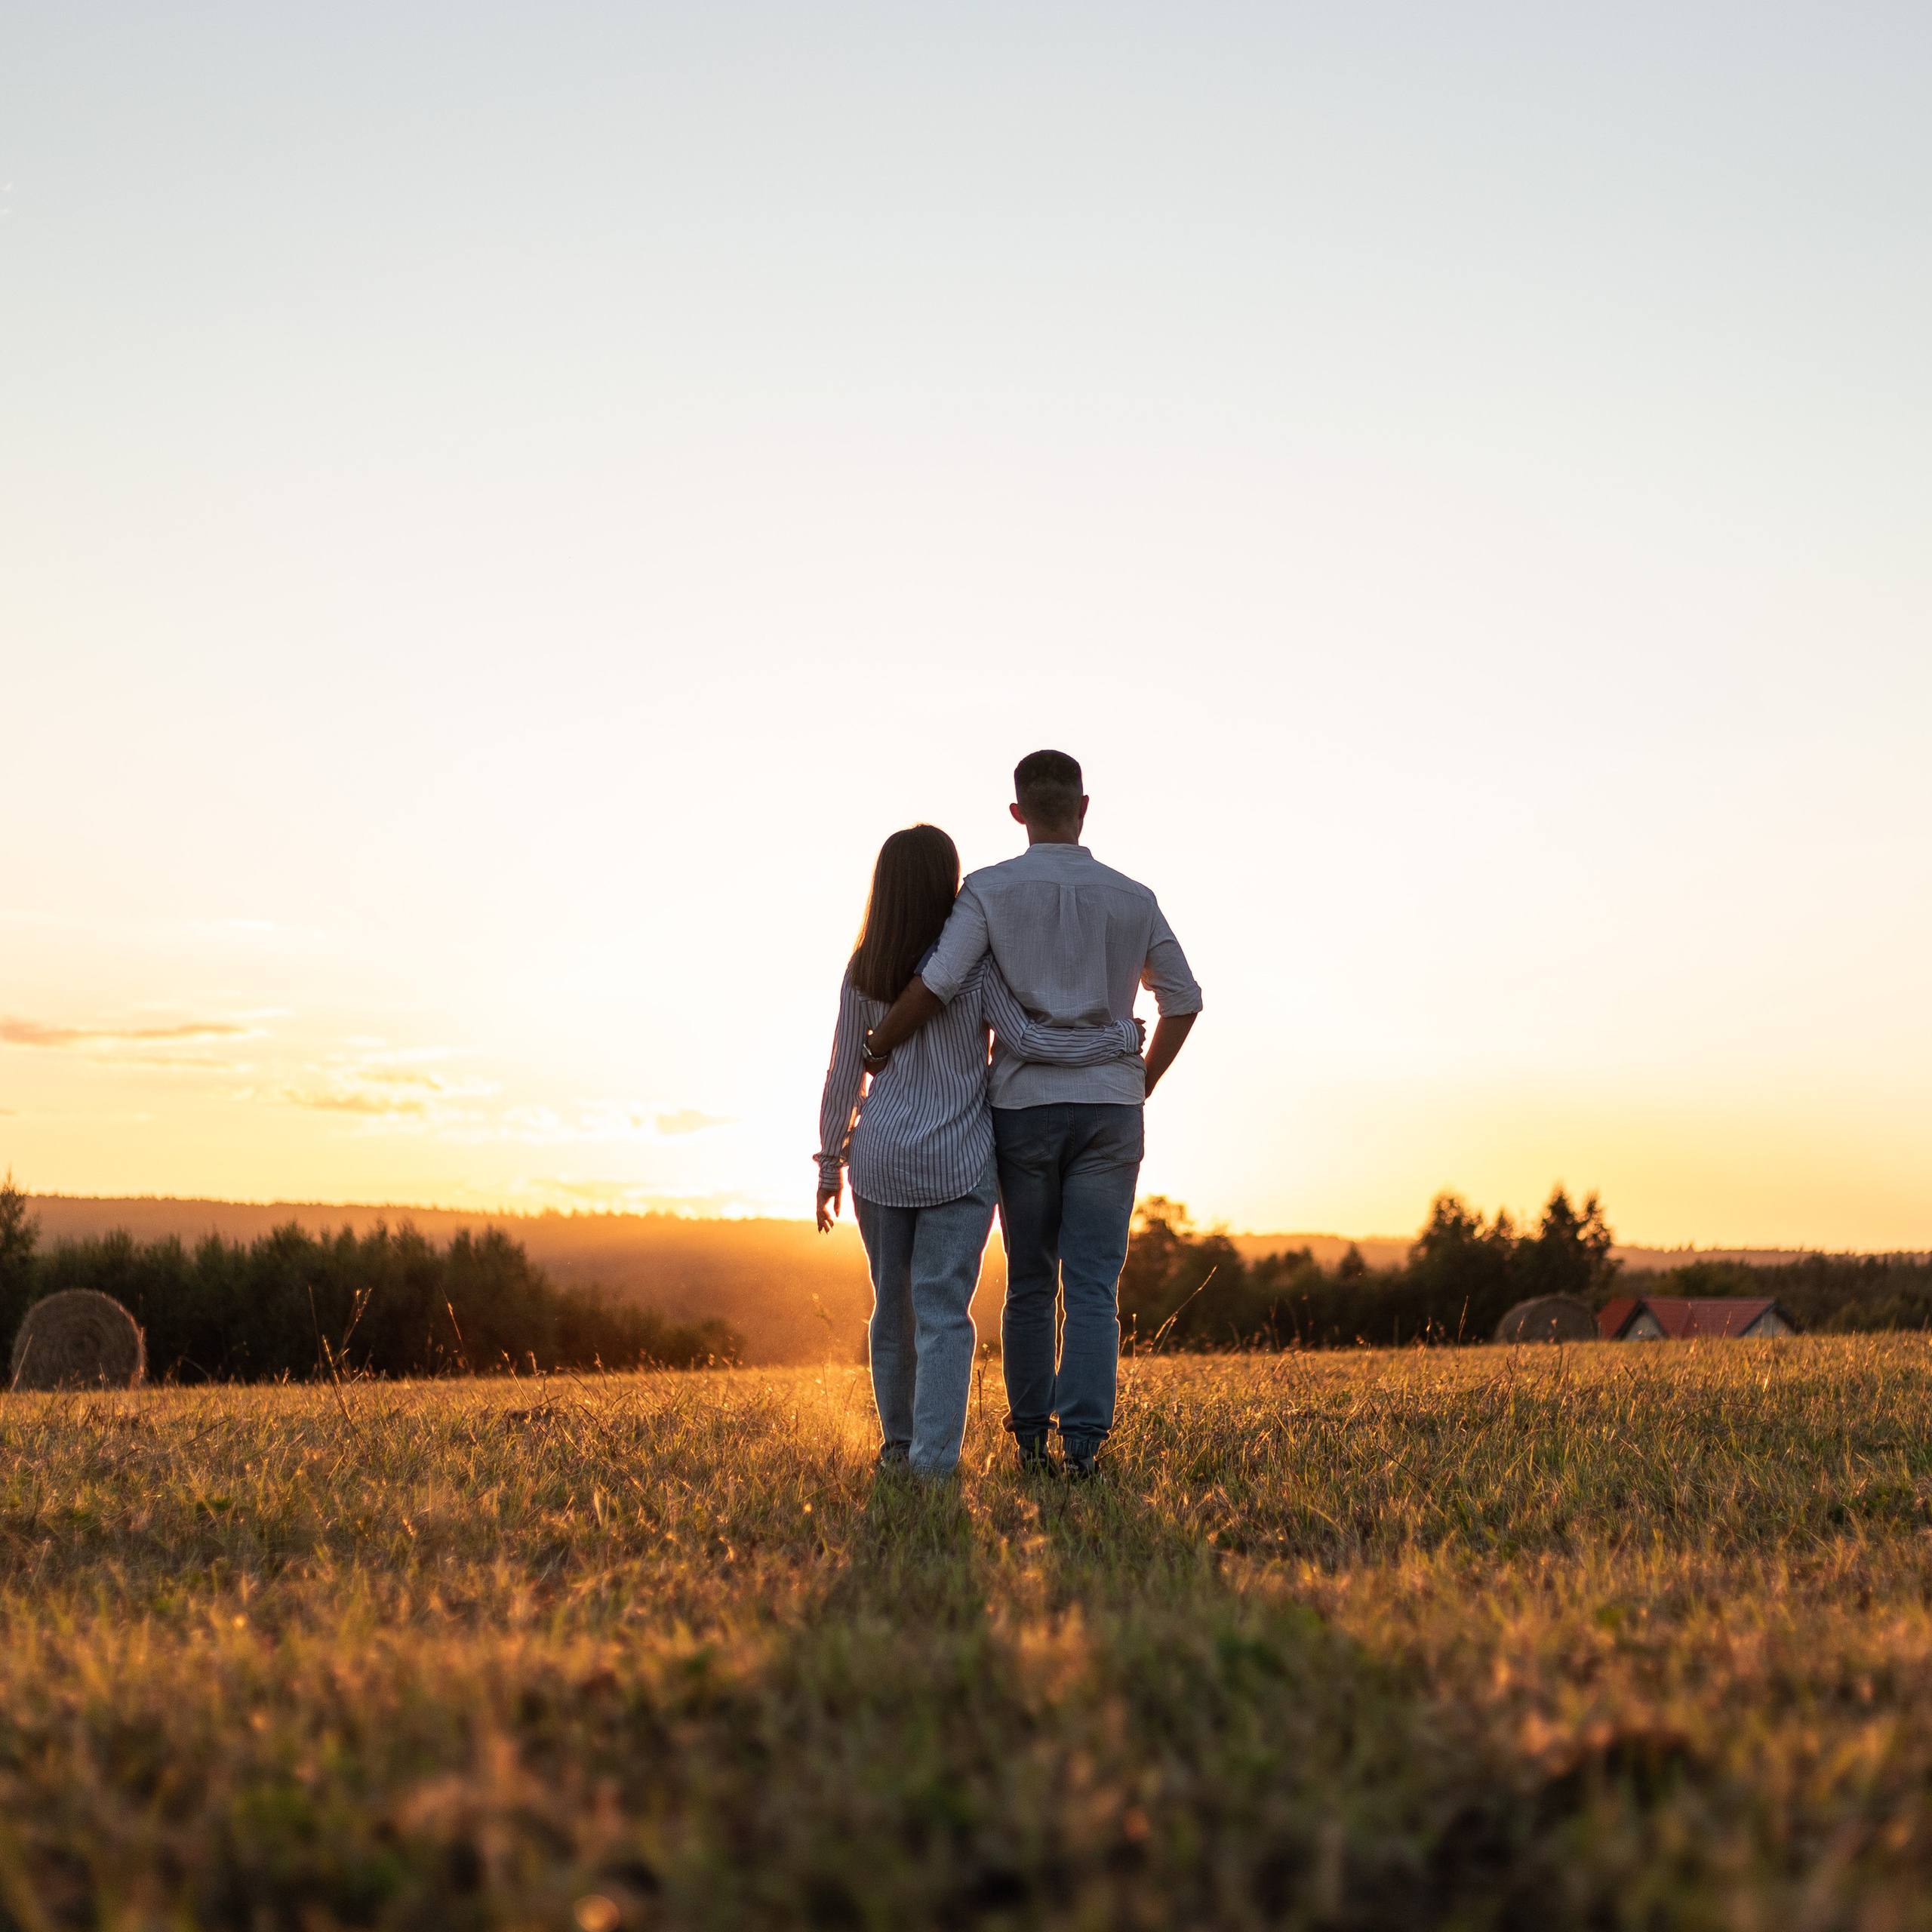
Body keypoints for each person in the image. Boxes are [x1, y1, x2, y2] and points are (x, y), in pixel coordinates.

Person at [860, 751, 1201, 1478]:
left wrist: (881, 1040)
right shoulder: (1133, 898)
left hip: (1023, 1107)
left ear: (1018, 814)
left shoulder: (988, 891)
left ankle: (1027, 1440)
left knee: (1029, 1278)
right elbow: (1184, 999)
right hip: (1111, 1106)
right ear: (1084, 807)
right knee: (1093, 1283)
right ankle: (1082, 1450)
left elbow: (940, 980)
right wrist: (1140, 1080)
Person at [817, 823, 1143, 1479]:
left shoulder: (864, 969)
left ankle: (898, 1448)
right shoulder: (973, 967)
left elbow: (843, 1071)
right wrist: (1114, 1040)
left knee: (892, 1311)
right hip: (960, 1165)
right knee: (943, 1315)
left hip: (879, 1164)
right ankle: (935, 1463)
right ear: (947, 883)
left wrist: (829, 1163)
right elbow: (1028, 1039)